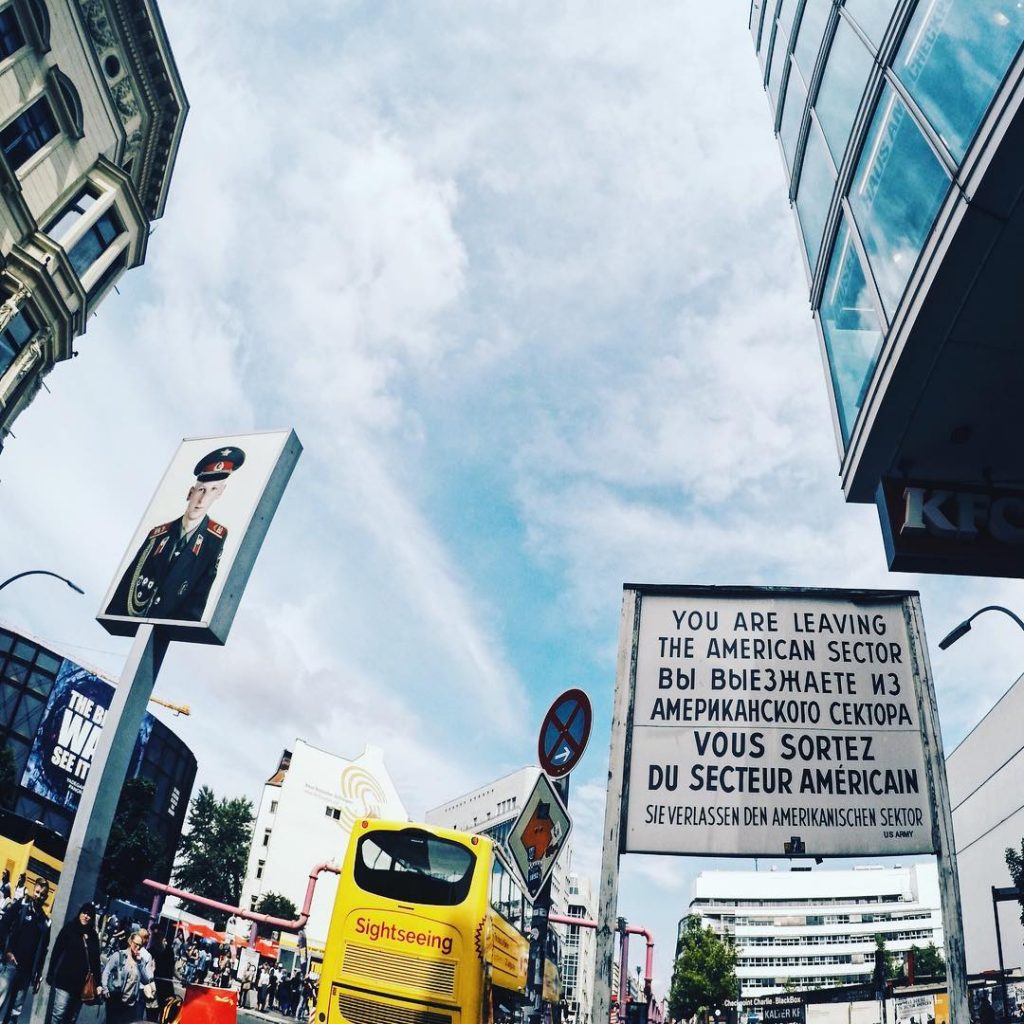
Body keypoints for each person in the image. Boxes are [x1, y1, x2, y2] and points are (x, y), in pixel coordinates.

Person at [105, 447, 246, 621]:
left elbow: (200, 595)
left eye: (213, 490)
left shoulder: (214, 538)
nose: (202, 500)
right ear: (190, 492)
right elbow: (127, 586)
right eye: (201, 490)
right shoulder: (157, 535)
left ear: (220, 493)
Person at [0, 878, 51, 1024]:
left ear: (46, 897)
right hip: (10, 966)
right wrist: (7, 951)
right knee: (0, 1001)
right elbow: (3, 925)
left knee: (15, 1012)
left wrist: (38, 975)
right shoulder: (21, 906)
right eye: (37, 892)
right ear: (33, 890)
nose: (39, 896)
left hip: (26, 972)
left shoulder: (45, 922)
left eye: (43, 895)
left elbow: (43, 952)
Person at [42, 903, 102, 1024]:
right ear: (80, 913)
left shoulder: (93, 936)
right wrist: (50, 972)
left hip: (82, 986)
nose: (86, 916)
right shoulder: (70, 928)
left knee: (72, 1019)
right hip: (64, 981)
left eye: (89, 915)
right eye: (84, 913)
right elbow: (56, 951)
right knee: (58, 1015)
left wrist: (98, 983)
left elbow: (95, 962)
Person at [101, 929, 152, 1024]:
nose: (137, 947)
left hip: (131, 1004)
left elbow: (146, 980)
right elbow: (106, 971)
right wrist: (105, 989)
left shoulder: (140, 961)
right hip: (116, 999)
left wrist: (140, 963)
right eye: (135, 944)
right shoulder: (119, 955)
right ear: (130, 942)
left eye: (140, 946)